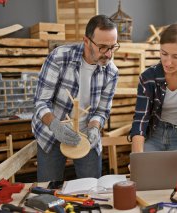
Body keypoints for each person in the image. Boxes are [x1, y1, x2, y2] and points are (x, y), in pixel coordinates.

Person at [32, 15, 120, 182]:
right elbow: (41, 101)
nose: (109, 54)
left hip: (86, 136)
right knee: (48, 189)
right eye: (102, 47)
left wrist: (94, 128)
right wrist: (55, 125)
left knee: (91, 190)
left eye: (113, 47)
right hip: (52, 133)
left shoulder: (112, 72)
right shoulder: (59, 57)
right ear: (86, 41)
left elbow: (101, 111)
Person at [129, 23, 177, 181]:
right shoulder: (148, 77)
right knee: (146, 180)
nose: (168, 62)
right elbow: (140, 120)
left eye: (176, 56)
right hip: (155, 134)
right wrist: (137, 158)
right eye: (164, 53)